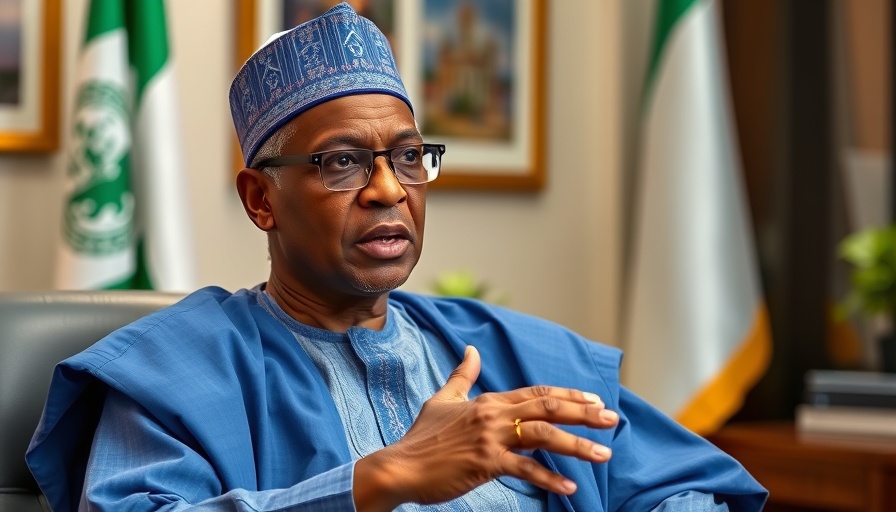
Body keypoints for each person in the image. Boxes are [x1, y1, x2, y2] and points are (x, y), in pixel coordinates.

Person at [26, 3, 768, 511]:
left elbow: (679, 486)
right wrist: (379, 480)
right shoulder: (173, 376)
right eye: (343, 163)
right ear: (261, 199)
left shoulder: (508, 353)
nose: (389, 189)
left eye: (409, 157)